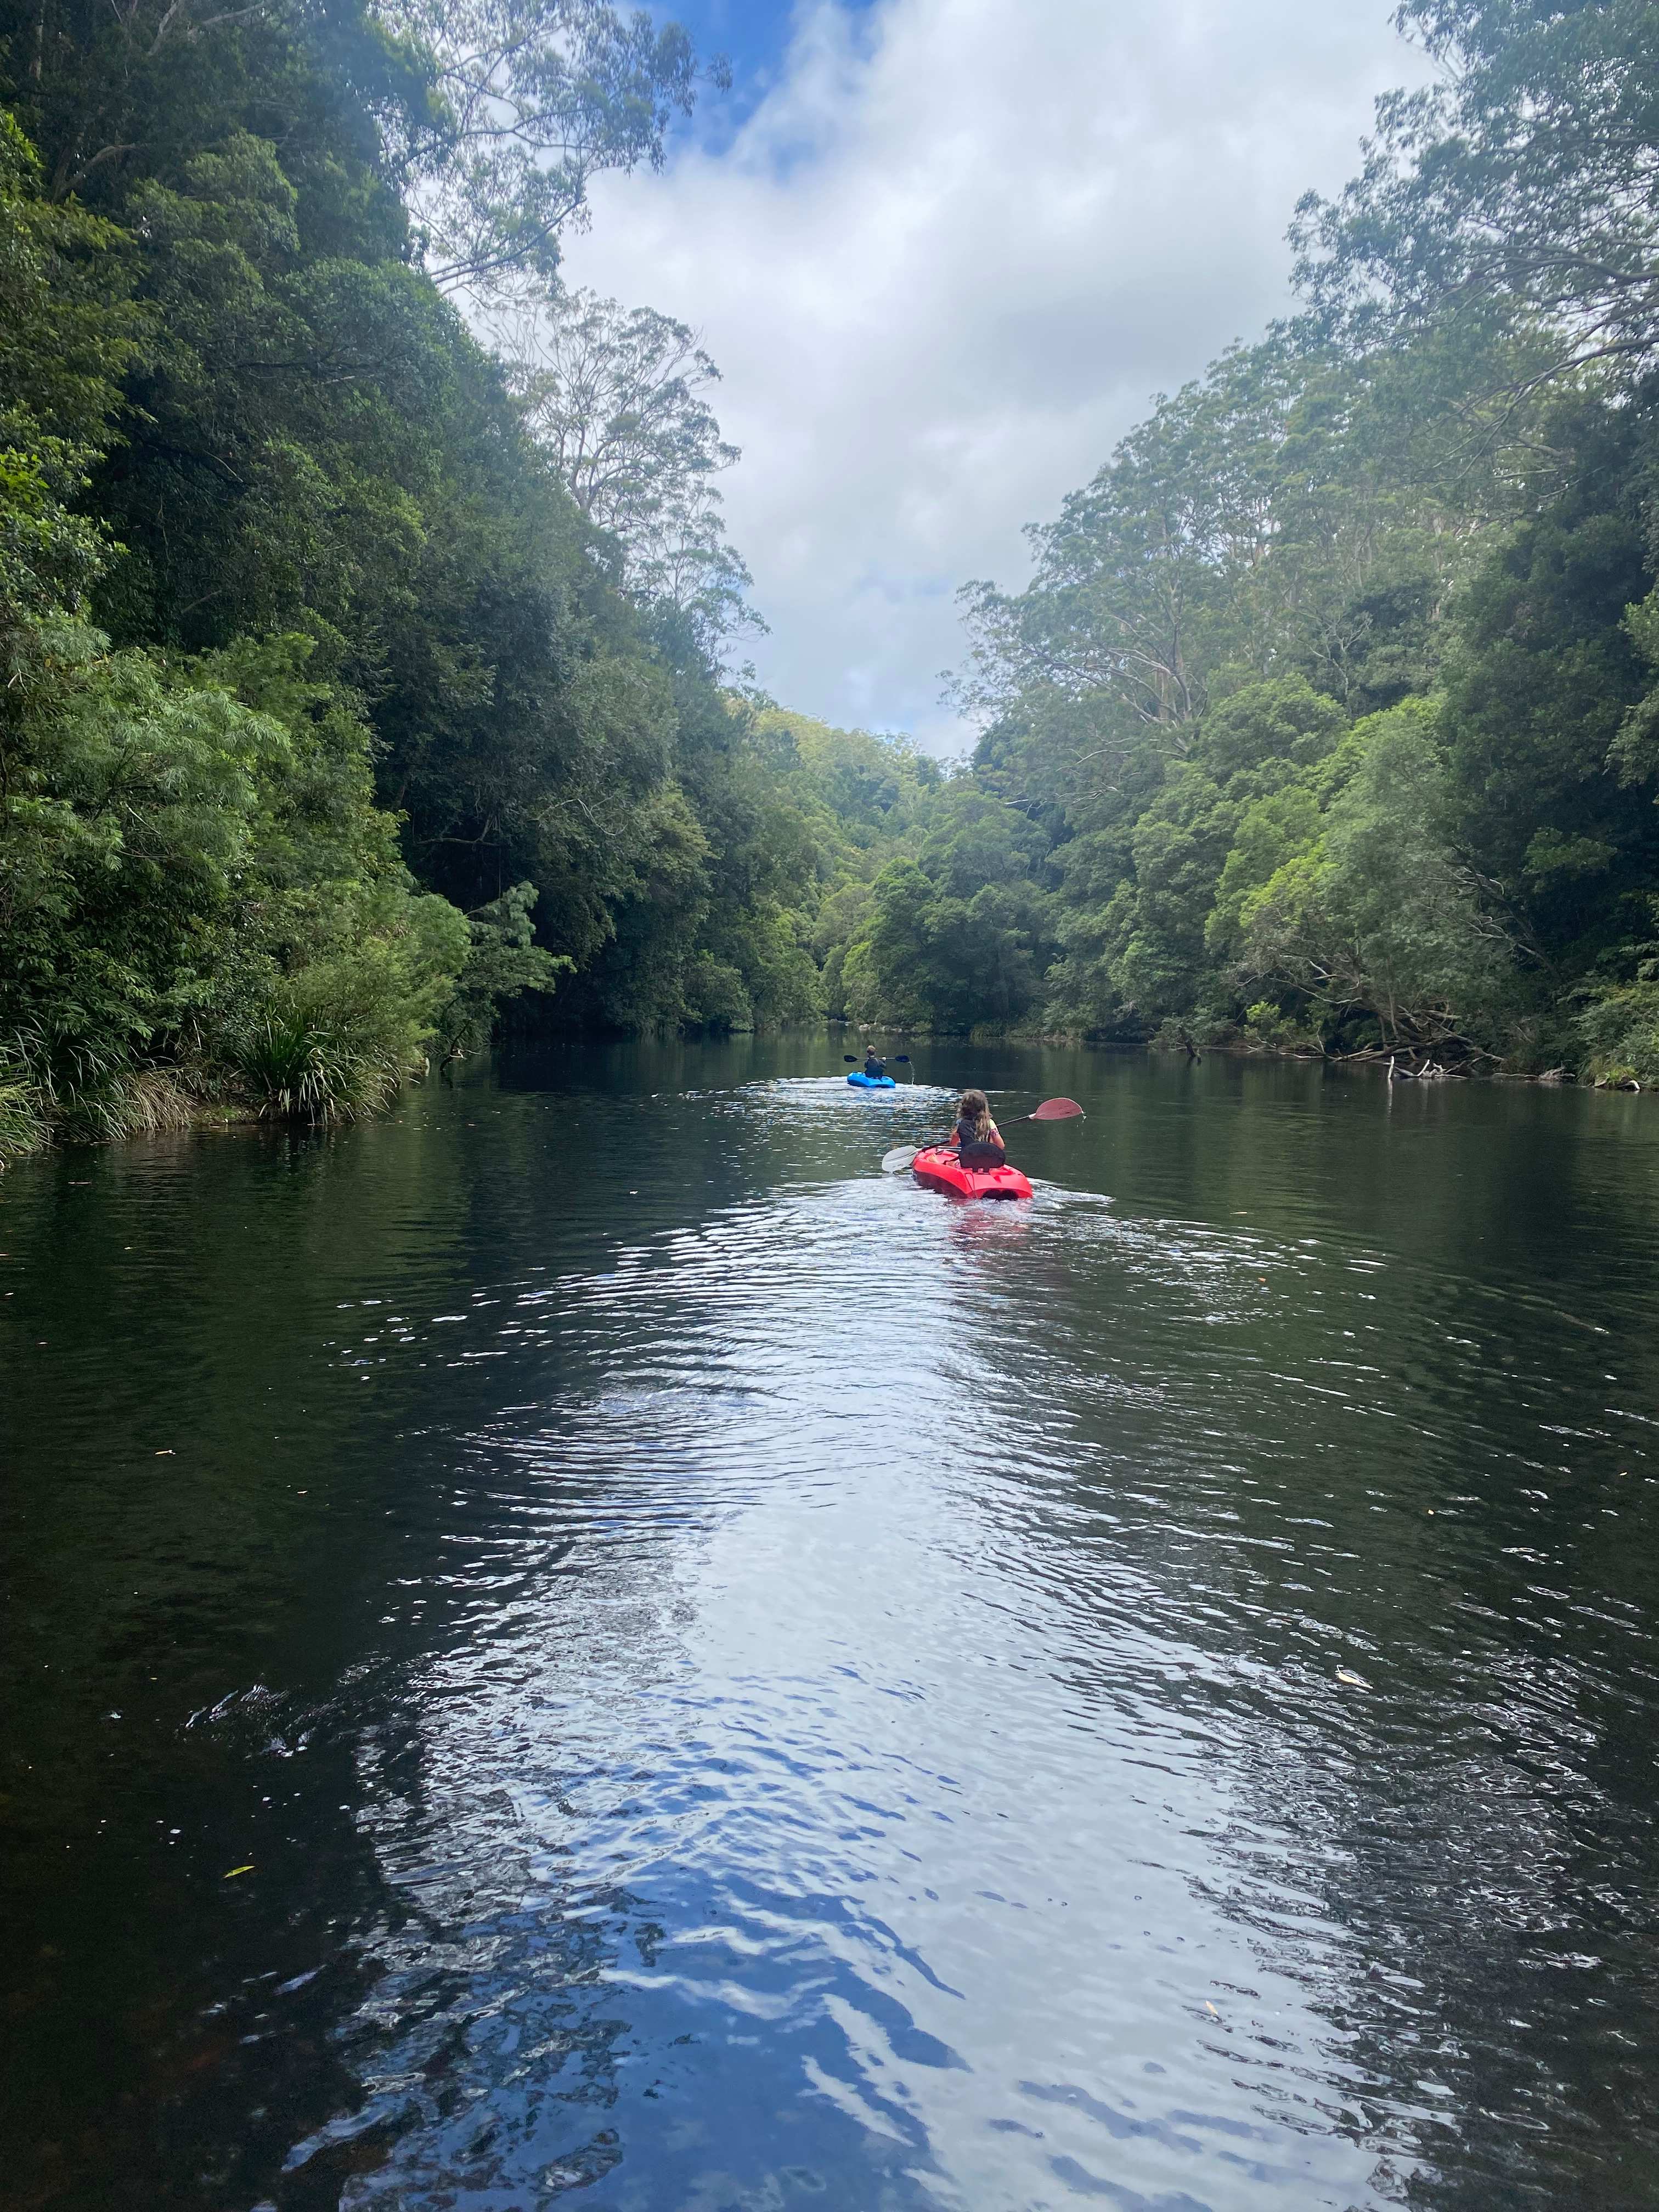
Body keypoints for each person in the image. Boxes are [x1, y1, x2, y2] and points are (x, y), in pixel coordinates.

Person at [952, 1088, 1006, 1169]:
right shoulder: (990, 1123)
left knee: (950, 1163)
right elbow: (1001, 1146)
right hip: (989, 1163)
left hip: (967, 1163)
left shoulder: (961, 1122)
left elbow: (953, 1144)